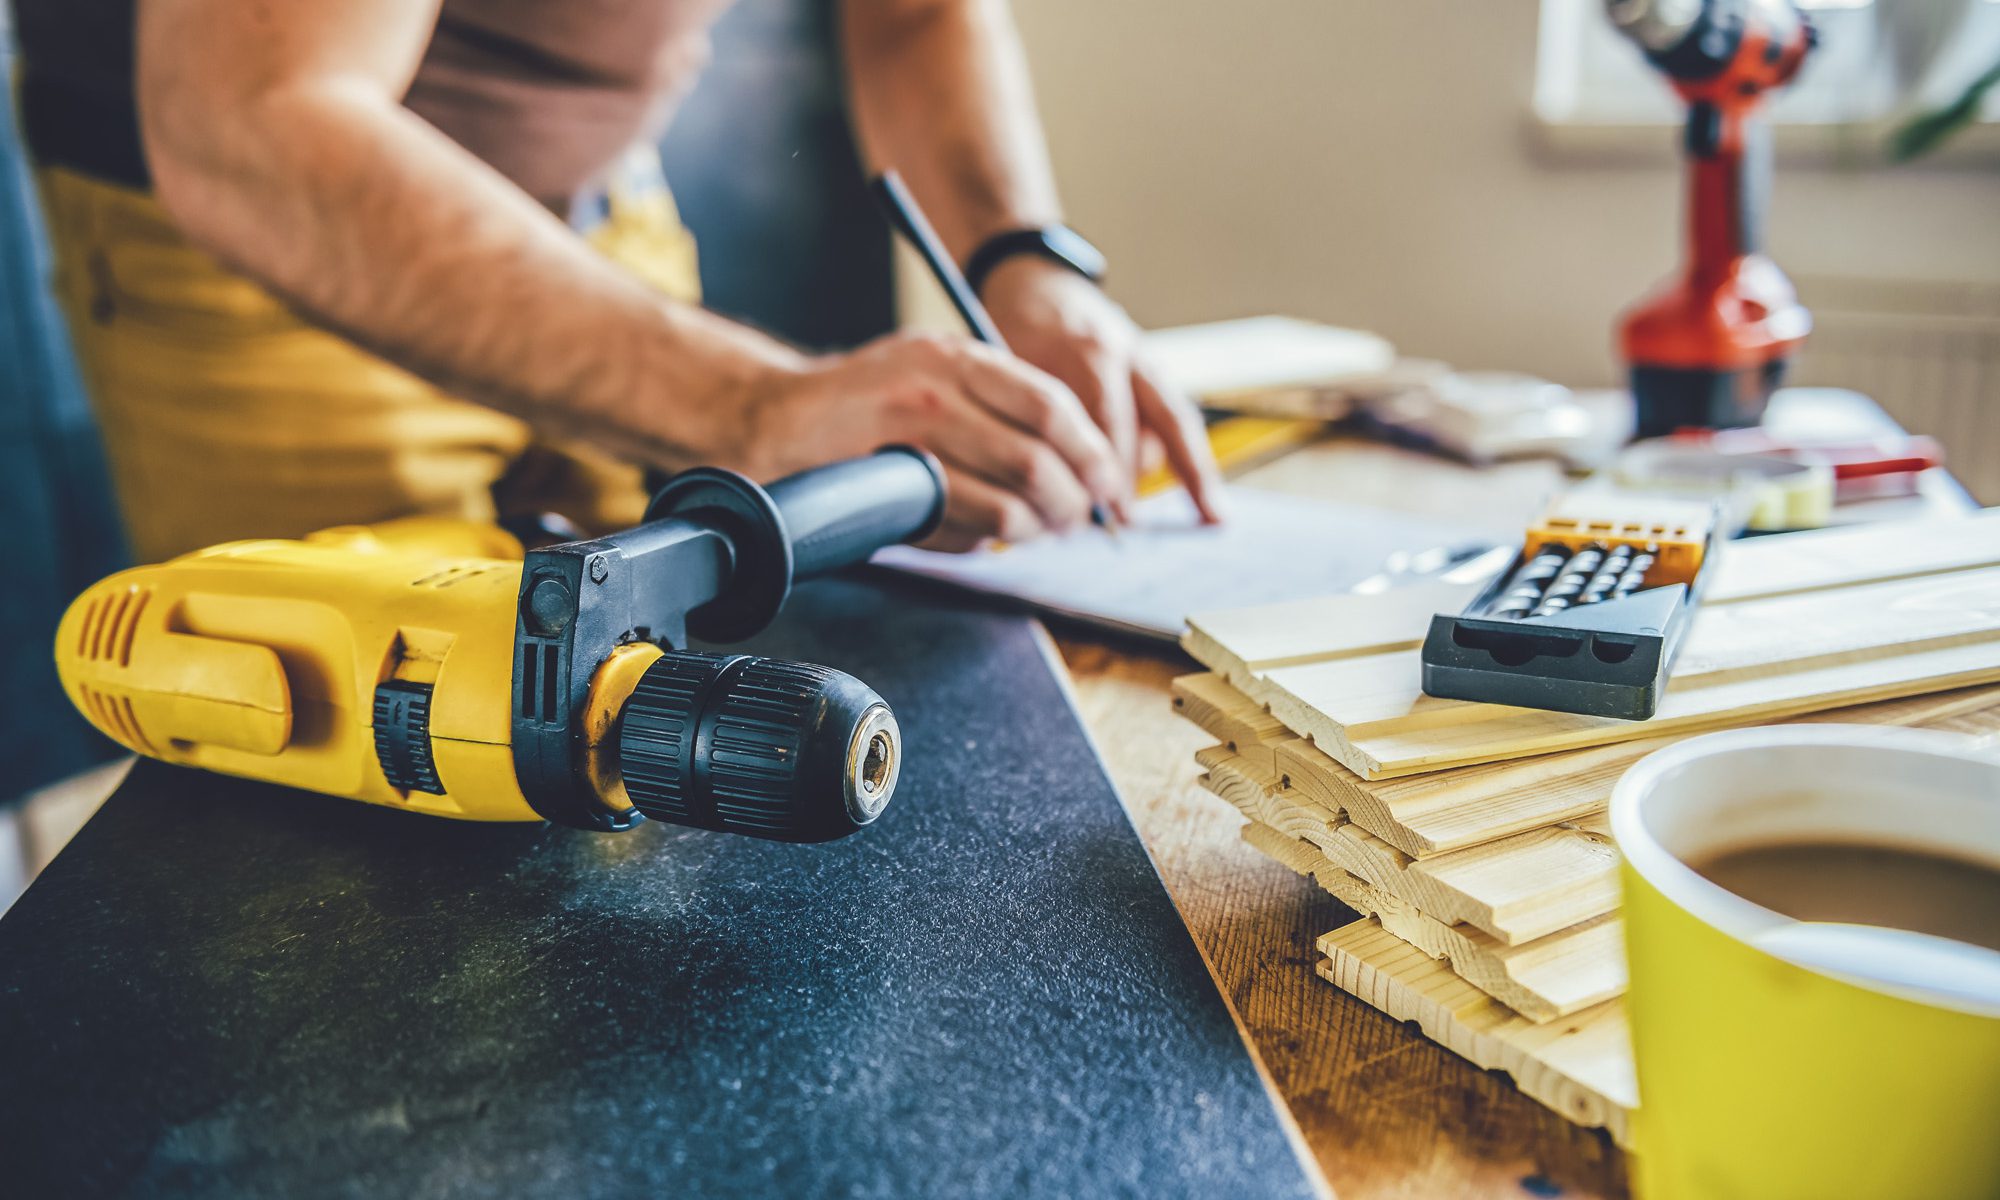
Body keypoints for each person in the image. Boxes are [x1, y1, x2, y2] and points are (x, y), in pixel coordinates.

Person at [11, 0, 1223, 562]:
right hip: (282, 243)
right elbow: (255, 124)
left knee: (634, 769)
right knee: (367, 864)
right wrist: (758, 407)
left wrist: (1019, 263)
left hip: (599, 199)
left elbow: (914, 13)